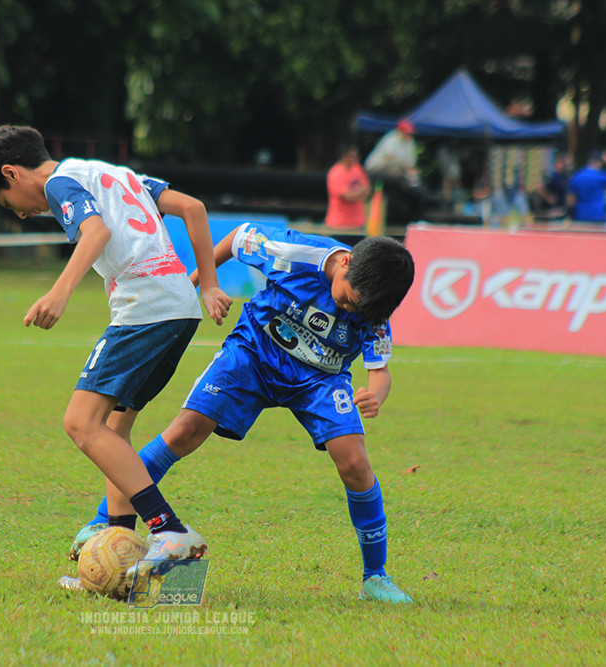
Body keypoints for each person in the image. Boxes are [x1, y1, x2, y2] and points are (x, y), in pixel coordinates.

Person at [70, 224, 417, 603]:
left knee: (354, 462)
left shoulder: (375, 302)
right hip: (253, 353)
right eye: (349, 300)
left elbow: (379, 372)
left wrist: (376, 396)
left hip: (321, 378)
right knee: (186, 429)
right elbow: (237, 239)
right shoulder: (294, 253)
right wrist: (198, 285)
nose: (348, 310)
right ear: (346, 263)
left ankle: (375, 577)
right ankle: (105, 520)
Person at [0, 125, 234, 574]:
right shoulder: (108, 173)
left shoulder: (59, 182)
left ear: (12, 173)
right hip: (177, 306)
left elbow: (96, 232)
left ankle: (169, 530)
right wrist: (210, 284)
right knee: (114, 431)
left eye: (10, 205)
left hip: (145, 307)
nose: (23, 215)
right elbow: (192, 208)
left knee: (80, 422)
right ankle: (118, 547)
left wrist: (59, 292)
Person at [364, 119, 425, 223]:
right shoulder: (391, 138)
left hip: (398, 171)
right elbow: (389, 157)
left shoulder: (410, 143)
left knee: (413, 177)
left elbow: (411, 164)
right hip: (377, 169)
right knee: (396, 164)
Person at [567, 149, 606, 222]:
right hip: (597, 217)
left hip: (580, 217)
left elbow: (570, 201)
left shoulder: (576, 176)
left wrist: (570, 215)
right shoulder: (600, 176)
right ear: (600, 162)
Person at [324, 142, 371, 229]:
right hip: (340, 225)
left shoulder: (357, 168)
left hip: (358, 224)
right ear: (345, 157)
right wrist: (361, 192)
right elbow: (347, 197)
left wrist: (358, 193)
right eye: (354, 156)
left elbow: (367, 189)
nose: (356, 159)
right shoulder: (336, 173)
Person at [530, 152, 572, 220]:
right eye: (561, 162)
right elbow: (539, 186)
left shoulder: (564, 176)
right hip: (552, 212)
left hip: (561, 211)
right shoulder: (552, 176)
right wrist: (548, 198)